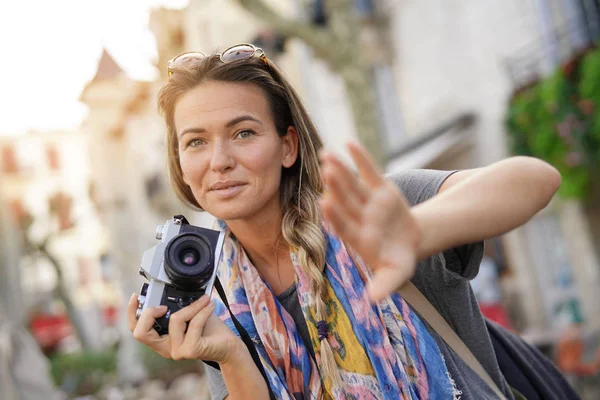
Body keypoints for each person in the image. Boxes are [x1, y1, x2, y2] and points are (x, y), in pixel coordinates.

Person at [127, 44, 562, 399]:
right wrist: (229, 357)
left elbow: (535, 180)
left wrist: (418, 233)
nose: (219, 161)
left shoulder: (373, 214)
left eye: (244, 133)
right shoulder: (214, 293)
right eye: (196, 142)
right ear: (181, 164)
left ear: (288, 147)